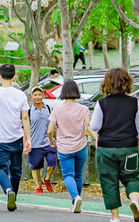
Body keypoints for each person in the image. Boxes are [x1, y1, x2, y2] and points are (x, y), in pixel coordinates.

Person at [90, 68, 139, 222]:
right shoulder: (134, 103)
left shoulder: (102, 103)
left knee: (109, 181)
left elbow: (94, 126)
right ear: (127, 83)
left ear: (107, 83)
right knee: (132, 178)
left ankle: (115, 218)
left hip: (106, 148)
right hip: (129, 147)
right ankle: (134, 201)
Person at [0, 63, 32, 212]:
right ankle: (14, 195)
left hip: (0, 139)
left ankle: (8, 190)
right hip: (17, 137)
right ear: (14, 76)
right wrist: (28, 139)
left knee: (1, 168)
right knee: (16, 170)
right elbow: (25, 117)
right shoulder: (20, 94)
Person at [48, 80, 91, 213]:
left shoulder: (57, 109)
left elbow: (50, 130)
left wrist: (51, 140)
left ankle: (75, 197)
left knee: (68, 175)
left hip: (64, 148)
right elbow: (89, 126)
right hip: (81, 146)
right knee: (78, 175)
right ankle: (75, 203)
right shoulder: (83, 109)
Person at [28, 87, 56, 194]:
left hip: (48, 142)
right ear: (31, 97)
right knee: (35, 167)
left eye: (39, 94)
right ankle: (38, 186)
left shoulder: (48, 109)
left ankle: (47, 179)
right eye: (35, 95)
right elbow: (24, 127)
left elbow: (54, 125)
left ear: (43, 96)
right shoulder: (29, 111)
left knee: (52, 163)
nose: (37, 97)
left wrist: (56, 137)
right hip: (34, 144)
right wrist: (26, 142)